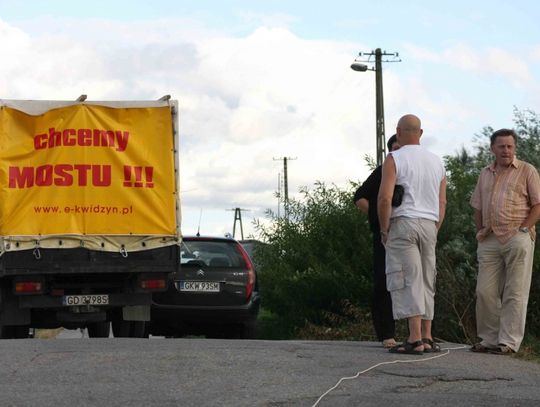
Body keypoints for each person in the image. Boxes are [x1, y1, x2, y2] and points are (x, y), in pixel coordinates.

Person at [377, 114, 447, 354]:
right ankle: (427, 336)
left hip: (404, 222)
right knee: (428, 278)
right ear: (421, 133)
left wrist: (384, 229)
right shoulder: (437, 162)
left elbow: (385, 198)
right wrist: (435, 227)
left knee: (408, 278)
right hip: (429, 223)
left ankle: (414, 338)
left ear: (398, 131)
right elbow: (442, 202)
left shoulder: (394, 158)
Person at [470, 128, 540, 355]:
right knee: (484, 291)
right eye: (501, 146)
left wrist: (524, 228)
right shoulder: (484, 173)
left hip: (517, 236)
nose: (506, 150)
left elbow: (538, 204)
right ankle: (489, 339)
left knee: (515, 291)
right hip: (489, 238)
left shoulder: (527, 170)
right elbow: (477, 206)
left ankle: (508, 343)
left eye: (510, 146)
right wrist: (480, 231)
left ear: (515, 148)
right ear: (493, 148)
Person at [353, 135, 400, 348]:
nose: (400, 153)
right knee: (383, 282)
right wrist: (379, 214)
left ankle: (419, 334)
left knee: (417, 282)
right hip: (385, 234)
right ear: (390, 152)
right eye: (396, 149)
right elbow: (360, 196)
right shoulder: (383, 170)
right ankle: (386, 333)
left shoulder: (419, 168)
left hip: (413, 230)